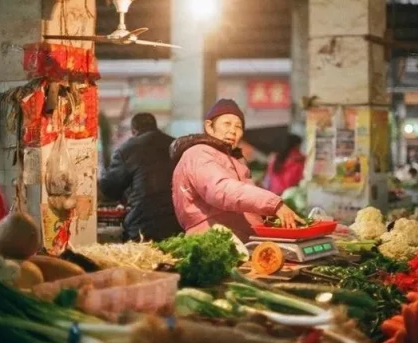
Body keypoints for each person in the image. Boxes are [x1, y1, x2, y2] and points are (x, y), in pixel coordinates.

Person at [170, 99, 304, 242]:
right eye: (227, 123)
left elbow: (244, 203)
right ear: (209, 127)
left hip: (240, 241)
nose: (233, 130)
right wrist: (273, 204)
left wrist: (267, 216)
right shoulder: (199, 153)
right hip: (213, 242)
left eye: (238, 126)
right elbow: (221, 190)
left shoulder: (234, 160)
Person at [99, 113, 182, 242]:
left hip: (143, 226)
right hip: (179, 222)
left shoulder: (127, 149)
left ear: (133, 130)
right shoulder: (176, 145)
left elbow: (110, 188)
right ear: (155, 126)